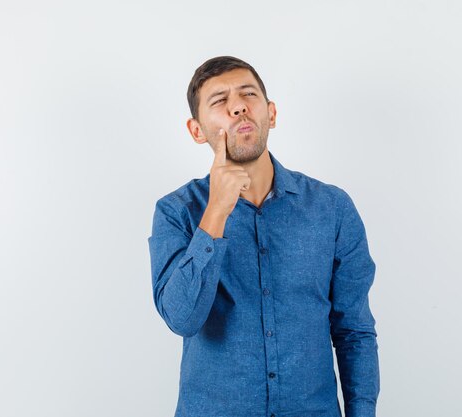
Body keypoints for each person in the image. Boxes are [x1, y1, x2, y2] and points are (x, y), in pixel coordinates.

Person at [147, 56, 379, 417]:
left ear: (270, 113)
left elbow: (353, 331)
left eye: (248, 94)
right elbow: (181, 318)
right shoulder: (176, 212)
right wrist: (216, 212)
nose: (238, 106)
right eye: (220, 101)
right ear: (196, 131)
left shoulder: (332, 208)